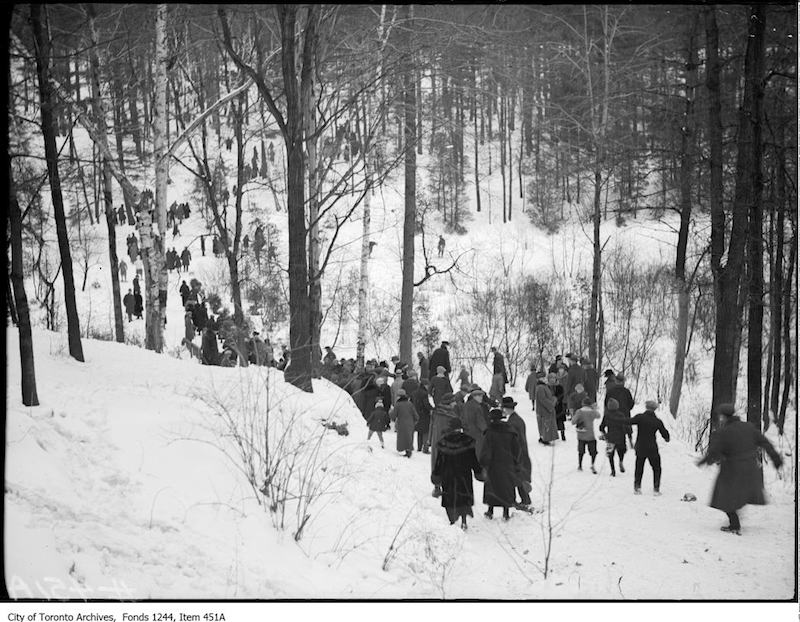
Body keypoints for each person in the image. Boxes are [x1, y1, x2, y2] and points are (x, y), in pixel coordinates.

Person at [697, 403, 782, 534]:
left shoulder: (723, 432)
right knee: (737, 494)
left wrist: (703, 462)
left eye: (720, 416)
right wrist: (776, 459)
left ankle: (734, 525)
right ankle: (736, 515)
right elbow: (765, 443)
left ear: (723, 417)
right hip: (750, 468)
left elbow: (714, 452)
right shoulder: (748, 427)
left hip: (732, 470)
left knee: (722, 497)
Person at [431, 417, 483, 531]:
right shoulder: (468, 441)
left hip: (448, 476)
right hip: (463, 475)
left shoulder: (444, 442)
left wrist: (436, 475)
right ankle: (464, 521)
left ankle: (452, 521)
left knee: (450, 499)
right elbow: (473, 460)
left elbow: (439, 462)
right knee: (463, 498)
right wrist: (478, 472)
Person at [479, 408, 521, 521]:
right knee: (506, 487)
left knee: (492, 487)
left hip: (493, 465)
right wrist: (515, 462)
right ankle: (506, 512)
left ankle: (490, 511)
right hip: (508, 464)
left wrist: (483, 462)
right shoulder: (510, 431)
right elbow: (516, 449)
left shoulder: (489, 432)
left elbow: (485, 450)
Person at [628, 400, 671, 495]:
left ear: (646, 407)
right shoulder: (657, 421)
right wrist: (667, 438)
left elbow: (629, 421)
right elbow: (665, 433)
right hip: (652, 447)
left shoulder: (640, 417)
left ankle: (637, 487)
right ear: (655, 409)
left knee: (639, 467)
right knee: (657, 468)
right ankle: (656, 489)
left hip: (640, 446)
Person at [503, 396, 532, 510]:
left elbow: (513, 439)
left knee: (518, 477)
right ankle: (524, 499)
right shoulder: (516, 419)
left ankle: (524, 499)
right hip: (521, 451)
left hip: (517, 453)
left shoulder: (513, 422)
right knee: (519, 476)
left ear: (506, 408)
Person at [429, 392, 459, 497]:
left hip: (436, 441)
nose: (455, 403)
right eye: (453, 401)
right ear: (449, 403)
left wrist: (429, 440)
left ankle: (437, 487)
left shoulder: (436, 413)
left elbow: (431, 426)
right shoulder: (452, 416)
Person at [599, 398, 633, 477]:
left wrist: (604, 434)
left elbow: (601, 427)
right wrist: (629, 435)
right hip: (621, 437)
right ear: (617, 406)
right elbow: (626, 426)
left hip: (610, 438)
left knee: (610, 454)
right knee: (621, 451)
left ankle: (613, 471)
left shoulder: (606, 416)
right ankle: (621, 461)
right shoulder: (621, 415)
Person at [572, 397, 601, 473]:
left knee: (581, 451)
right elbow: (598, 416)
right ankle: (592, 464)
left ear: (582, 404)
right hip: (590, 435)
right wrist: (594, 408)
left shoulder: (579, 412)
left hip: (581, 434)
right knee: (593, 451)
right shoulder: (592, 412)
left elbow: (573, 421)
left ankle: (580, 465)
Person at [461, 385, 488, 457]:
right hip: (477, 434)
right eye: (480, 396)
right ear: (475, 396)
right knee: (478, 453)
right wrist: (486, 430)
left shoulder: (466, 405)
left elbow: (462, 418)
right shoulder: (477, 407)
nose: (481, 398)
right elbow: (480, 422)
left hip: (467, 432)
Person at [393, 389, 419, 458]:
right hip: (410, 423)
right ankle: (409, 450)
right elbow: (416, 415)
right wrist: (415, 421)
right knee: (409, 437)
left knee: (403, 438)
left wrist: (390, 413)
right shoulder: (410, 403)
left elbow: (393, 415)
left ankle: (407, 451)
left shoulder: (398, 404)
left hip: (401, 423)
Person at [536, 372, 559, 445]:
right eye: (541, 378)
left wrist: (553, 399)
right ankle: (545, 439)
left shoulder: (543, 386)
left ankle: (544, 437)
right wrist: (551, 405)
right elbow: (543, 399)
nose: (544, 379)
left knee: (545, 424)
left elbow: (548, 396)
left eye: (544, 377)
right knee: (545, 424)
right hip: (544, 410)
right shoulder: (540, 387)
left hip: (545, 409)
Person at [412, 379, 433, 453]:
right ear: (424, 385)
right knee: (425, 431)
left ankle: (419, 447)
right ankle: (425, 448)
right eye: (427, 385)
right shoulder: (424, 393)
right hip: (424, 414)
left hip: (417, 413)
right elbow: (426, 404)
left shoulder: (415, 392)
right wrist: (431, 409)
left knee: (419, 431)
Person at [551, 370, 567, 441]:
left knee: (560, 421)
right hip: (551, 405)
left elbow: (562, 394)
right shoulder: (548, 387)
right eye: (551, 378)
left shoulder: (559, 387)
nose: (552, 380)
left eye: (554, 378)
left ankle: (563, 435)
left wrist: (557, 399)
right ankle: (553, 435)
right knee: (552, 421)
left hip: (559, 405)